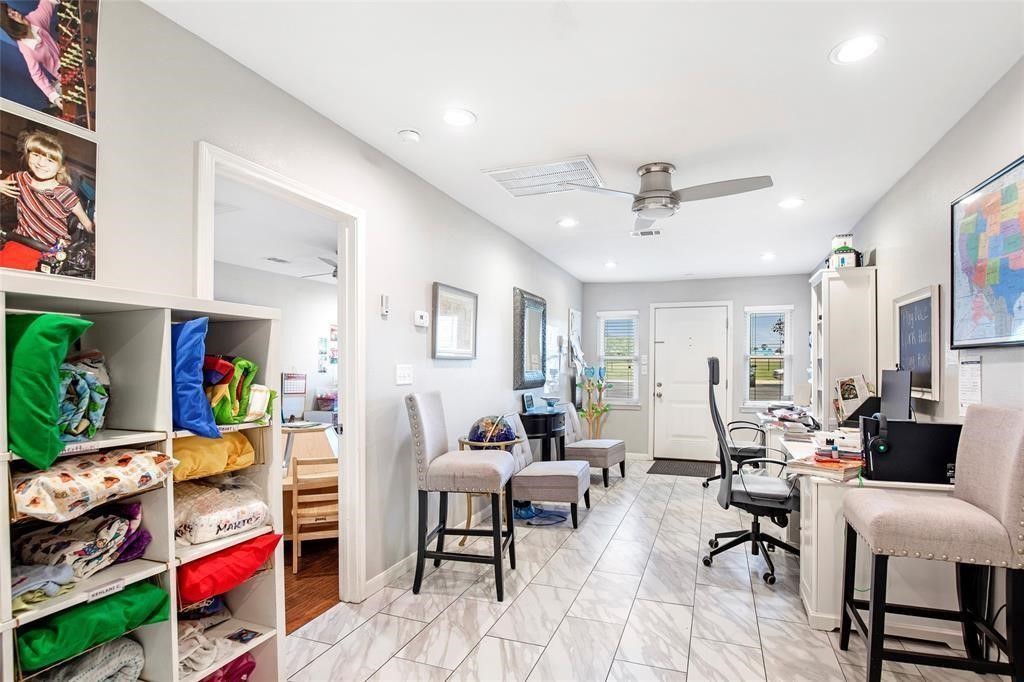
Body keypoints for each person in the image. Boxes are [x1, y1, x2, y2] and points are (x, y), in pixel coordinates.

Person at [0, 130, 93, 272]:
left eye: (50, 160)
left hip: (53, 251)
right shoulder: (19, 179)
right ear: (28, 155)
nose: (41, 163)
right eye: (36, 155)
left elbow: (86, 223)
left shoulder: (64, 194)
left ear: (60, 168)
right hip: (21, 242)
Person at [0, 0, 63, 108]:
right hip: (64, 75)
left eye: (13, 10)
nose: (17, 13)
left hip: (73, 58)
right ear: (10, 25)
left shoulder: (34, 20)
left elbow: (47, 2)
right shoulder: (26, 49)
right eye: (12, 15)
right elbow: (37, 75)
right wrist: (55, 97)